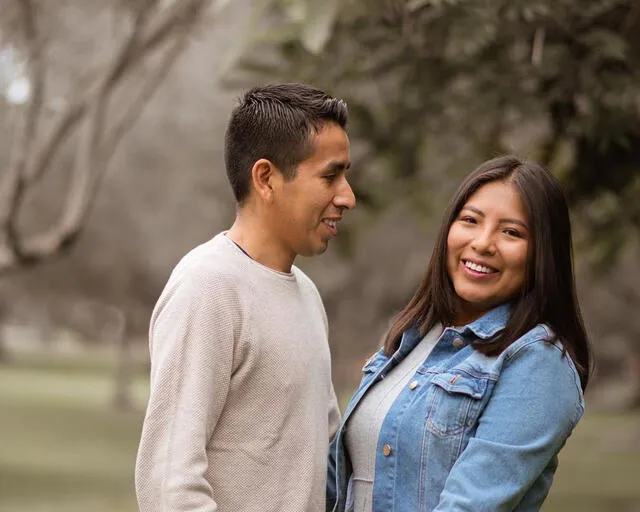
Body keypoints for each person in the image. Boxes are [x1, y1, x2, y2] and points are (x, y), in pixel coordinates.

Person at [135, 83, 356, 512]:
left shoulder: (307, 296)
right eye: (331, 175)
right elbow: (168, 485)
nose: (347, 196)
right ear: (266, 178)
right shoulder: (208, 288)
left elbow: (325, 457)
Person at [327, 155, 591, 512]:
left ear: (542, 254)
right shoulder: (412, 336)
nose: (483, 243)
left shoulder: (539, 362)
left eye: (511, 232)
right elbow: (337, 481)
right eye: (470, 220)